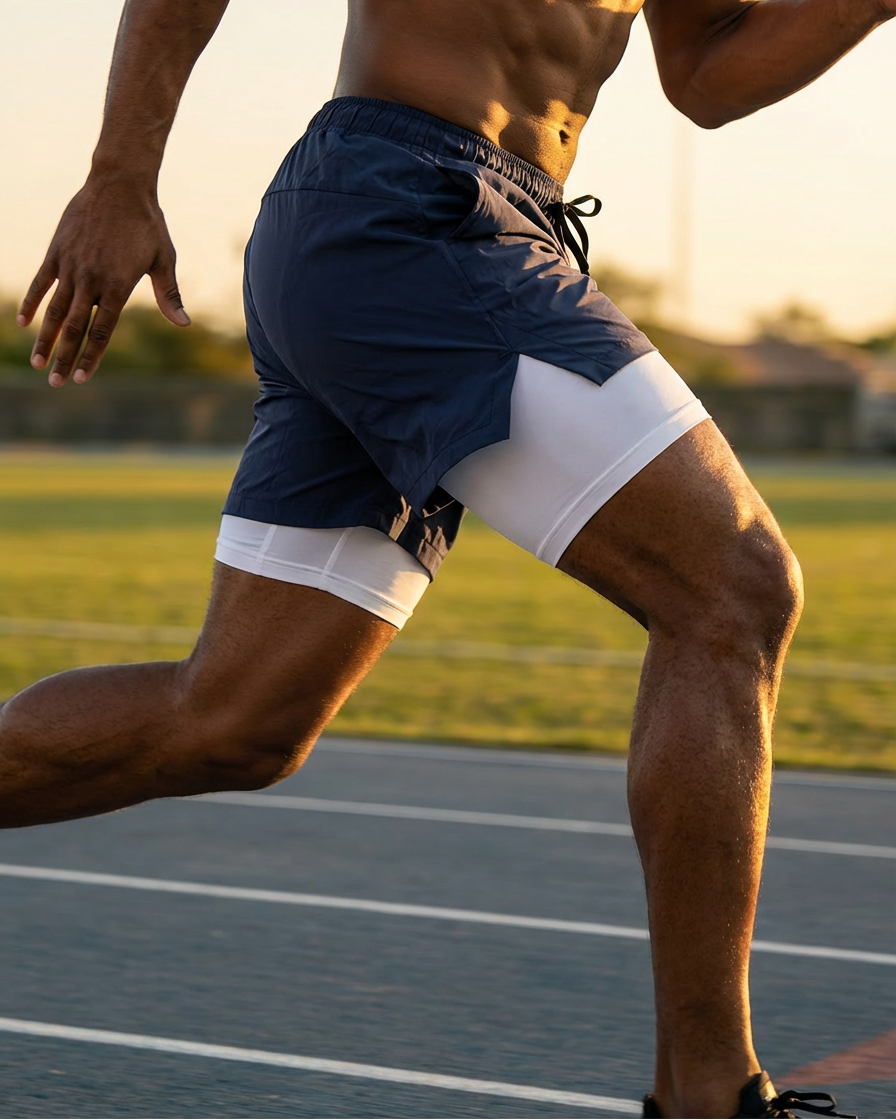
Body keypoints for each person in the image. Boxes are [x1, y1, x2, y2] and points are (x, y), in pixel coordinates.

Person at [4, 1, 892, 1116]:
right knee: (733, 586)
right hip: (408, 204)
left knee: (235, 719)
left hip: (457, 228)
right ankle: (711, 1096)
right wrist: (117, 174)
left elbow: (705, 79)